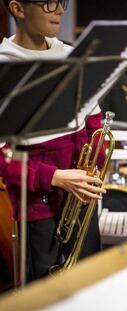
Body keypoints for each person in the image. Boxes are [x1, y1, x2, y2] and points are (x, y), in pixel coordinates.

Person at [0, 0, 105, 282]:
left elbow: (95, 125)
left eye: (62, 1)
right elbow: (2, 158)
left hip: (80, 197)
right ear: (18, 9)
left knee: (90, 287)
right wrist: (55, 177)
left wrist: (93, 165)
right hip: (39, 206)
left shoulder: (72, 56)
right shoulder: (4, 65)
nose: (60, 9)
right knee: (47, 294)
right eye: (48, 2)